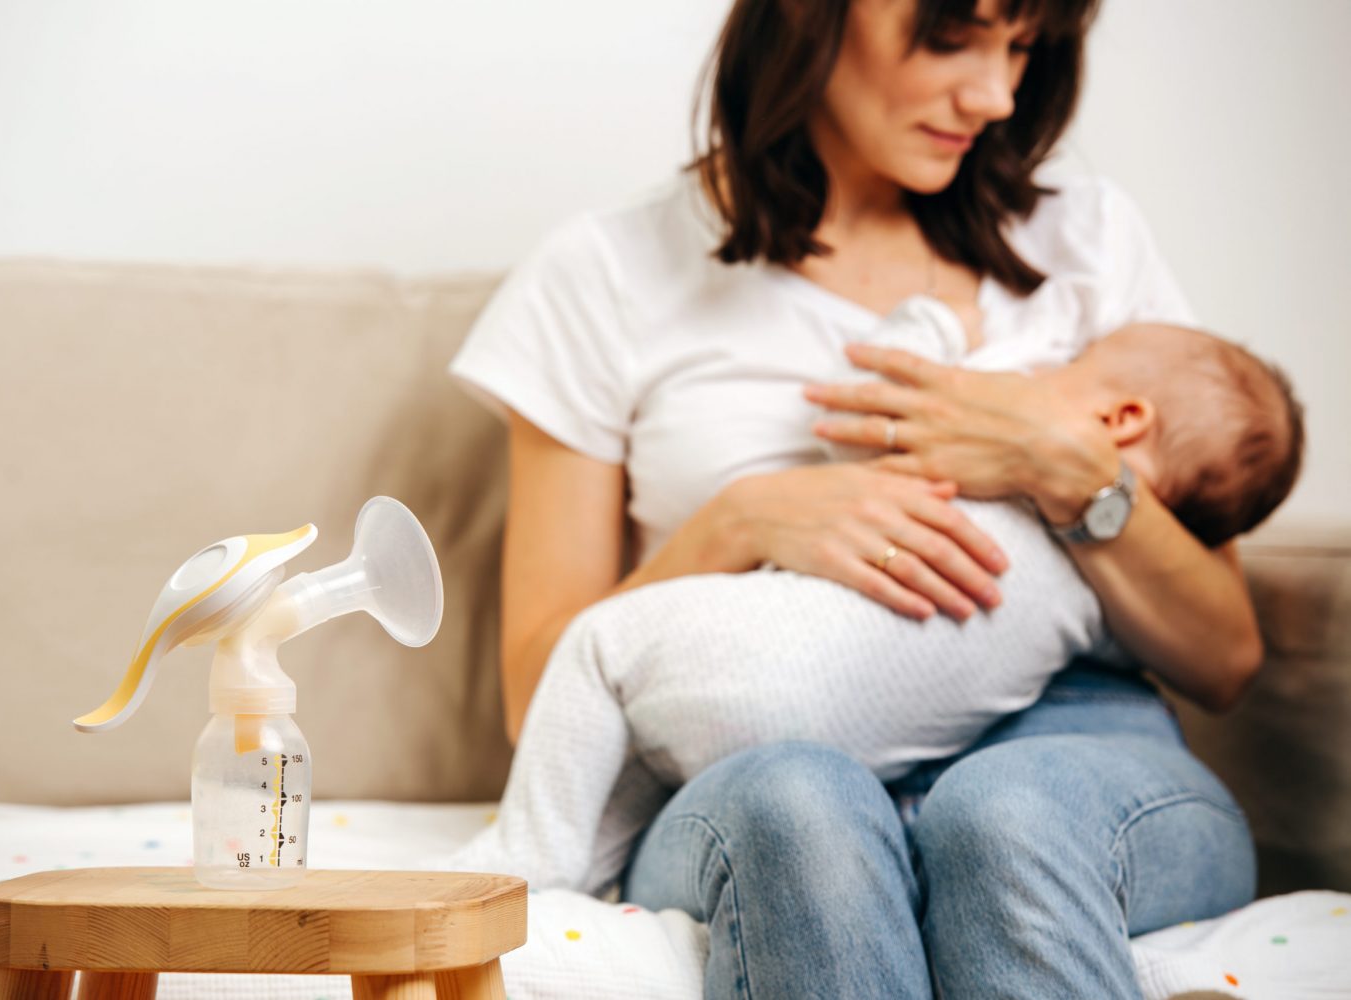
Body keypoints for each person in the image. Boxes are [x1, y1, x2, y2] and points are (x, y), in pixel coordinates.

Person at [449, 0, 1273, 995]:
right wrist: (740, 520)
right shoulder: (602, 276)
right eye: (952, 36)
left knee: (1006, 813)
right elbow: (540, 695)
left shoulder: (1088, 239)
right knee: (804, 806)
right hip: (763, 762)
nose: (997, 93)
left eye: (1021, 47)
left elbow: (1224, 654)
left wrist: (1065, 469)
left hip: (1078, 745)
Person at [445, 319, 1302, 896]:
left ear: (1117, 418)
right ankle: (569, 870)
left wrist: (922, 332)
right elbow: (1177, 638)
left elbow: (857, 423)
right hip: (852, 754)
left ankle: (529, 865)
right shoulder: (1109, 597)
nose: (1036, 374)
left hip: (762, 699)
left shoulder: (978, 462)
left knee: (603, 648)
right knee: (670, 720)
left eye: (1063, 369)